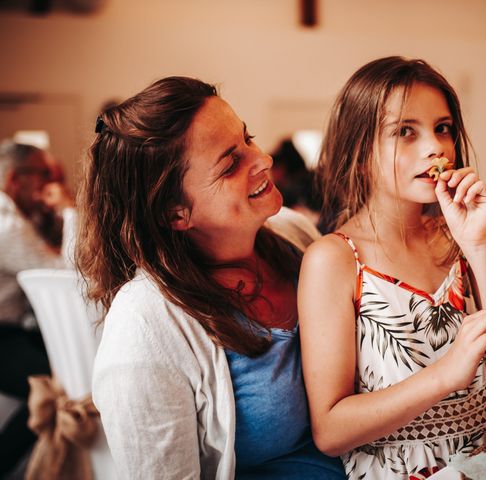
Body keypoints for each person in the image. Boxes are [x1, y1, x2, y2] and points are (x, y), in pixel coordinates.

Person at [76, 76, 346, 479]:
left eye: (248, 138)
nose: (263, 160)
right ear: (175, 213)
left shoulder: (294, 236)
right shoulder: (145, 326)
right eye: (231, 163)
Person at [298, 56, 486, 478]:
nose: (436, 148)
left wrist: (480, 243)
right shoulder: (333, 260)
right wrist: (445, 375)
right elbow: (331, 430)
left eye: (442, 128)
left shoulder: (458, 237)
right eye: (405, 132)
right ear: (359, 153)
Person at [0, 140, 75, 475]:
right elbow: (67, 274)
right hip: (3, 337)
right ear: (16, 180)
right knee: (59, 388)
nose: (49, 184)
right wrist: (69, 210)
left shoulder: (14, 219)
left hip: (15, 332)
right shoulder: (9, 227)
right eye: (43, 174)